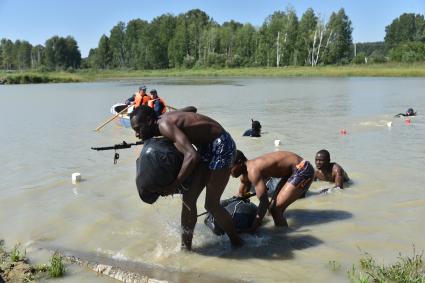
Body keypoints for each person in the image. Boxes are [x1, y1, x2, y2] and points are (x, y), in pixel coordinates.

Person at [129, 105, 242, 250]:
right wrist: (183, 121)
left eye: (138, 129)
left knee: (211, 205)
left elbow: (192, 155)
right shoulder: (164, 118)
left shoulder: (164, 125)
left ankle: (237, 243)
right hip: (205, 146)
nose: (137, 135)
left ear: (150, 121)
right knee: (188, 200)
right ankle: (186, 248)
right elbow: (192, 109)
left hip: (221, 145)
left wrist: (173, 185)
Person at [230, 150, 314, 231]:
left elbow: (264, 202)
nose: (227, 172)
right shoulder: (245, 174)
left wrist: (253, 227)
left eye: (229, 167)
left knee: (275, 209)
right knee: (271, 211)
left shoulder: (253, 171)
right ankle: (280, 231)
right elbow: (240, 195)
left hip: (303, 169)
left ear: (240, 162)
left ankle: (283, 239)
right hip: (291, 170)